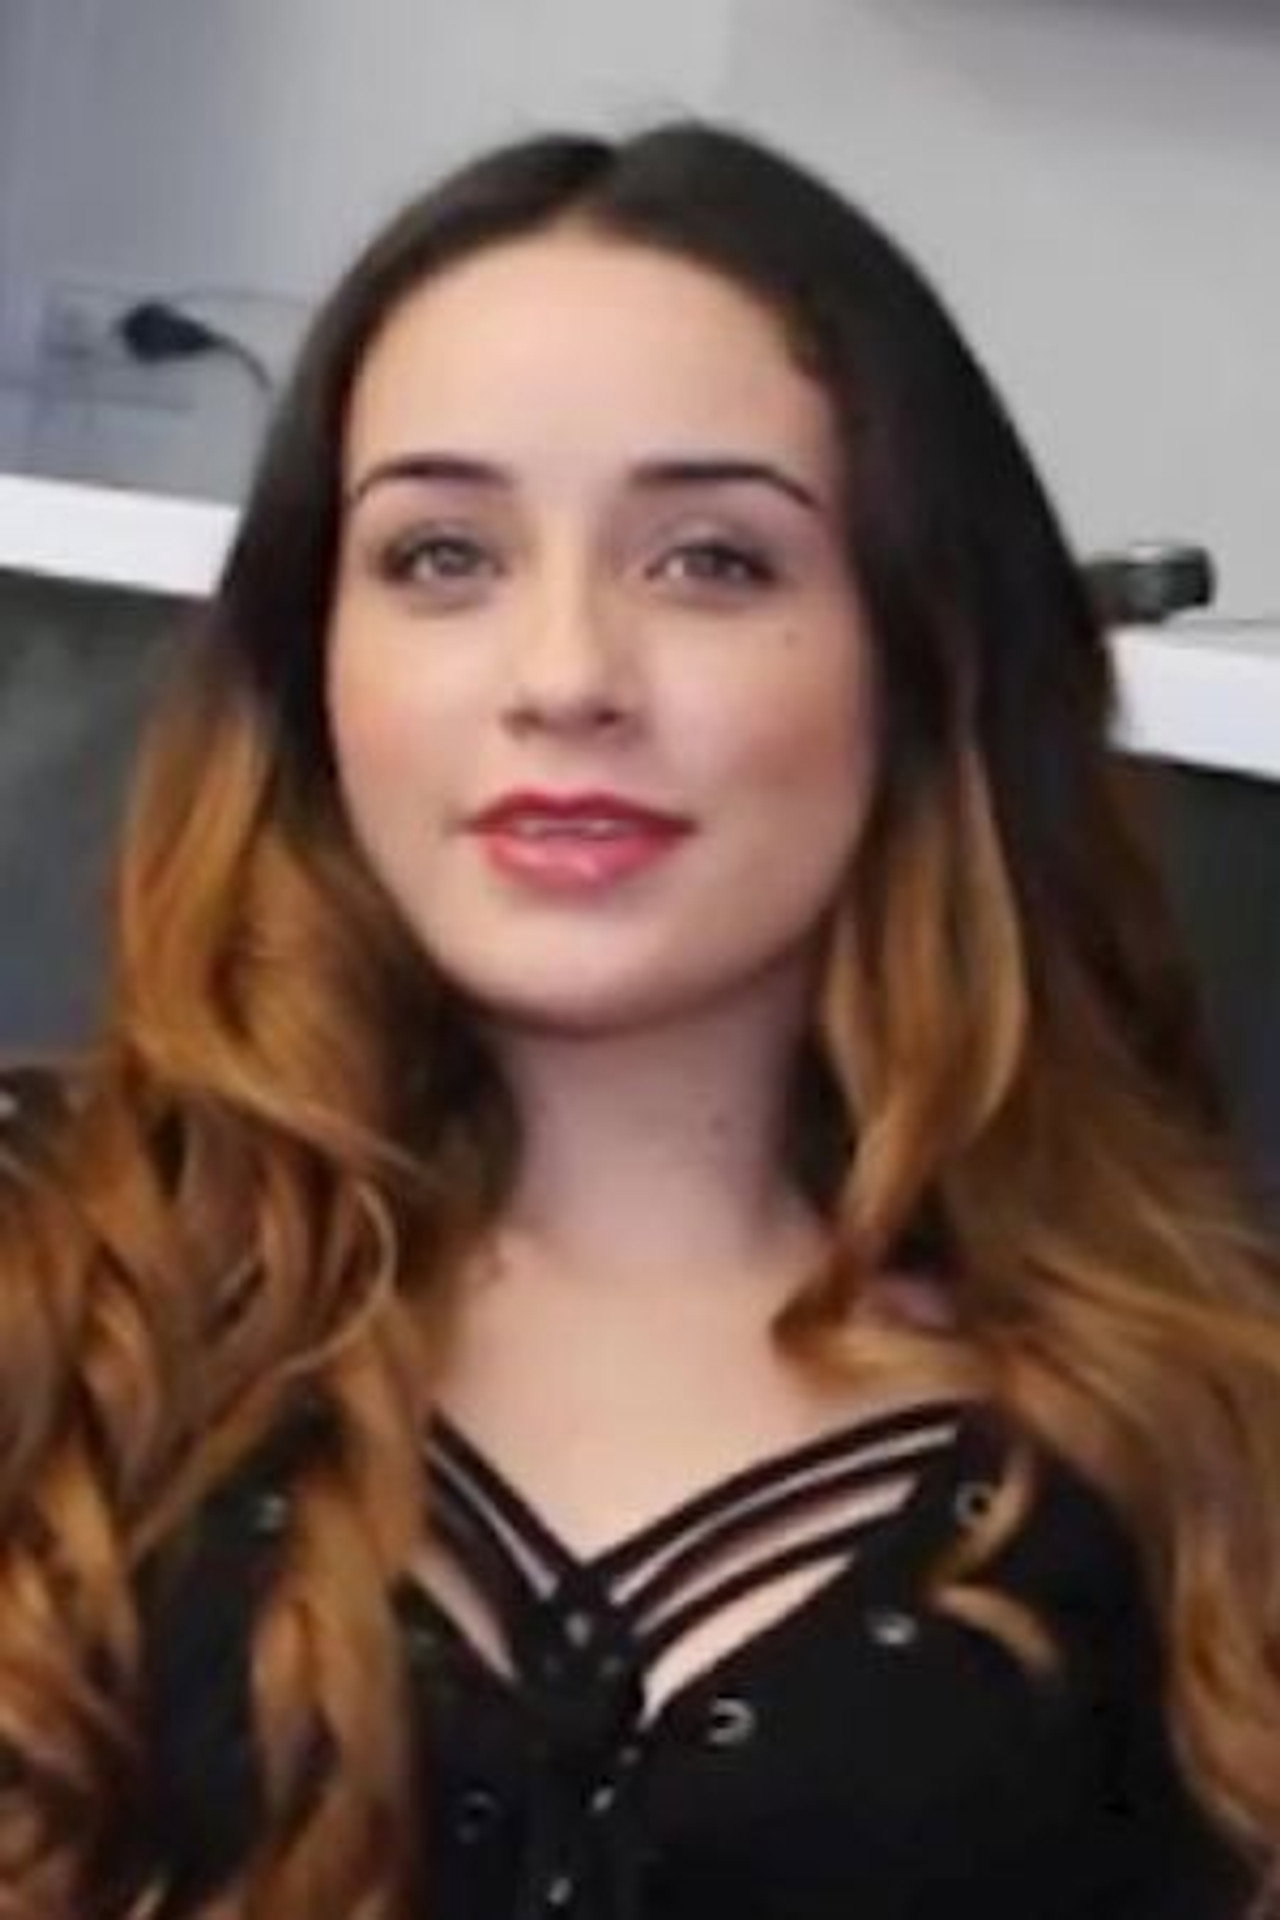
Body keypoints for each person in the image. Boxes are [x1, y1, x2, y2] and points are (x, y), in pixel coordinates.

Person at [0, 120, 1276, 1920]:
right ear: (314, 661)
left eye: (711, 562)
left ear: (922, 663)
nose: (566, 678)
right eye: (443, 555)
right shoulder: (60, 1278)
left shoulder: (1208, 1450)